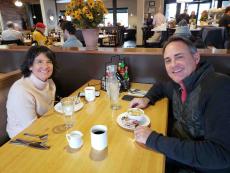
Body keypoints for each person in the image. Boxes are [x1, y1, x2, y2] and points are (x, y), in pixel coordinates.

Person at [130, 36, 230, 173]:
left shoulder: (219, 87)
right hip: (178, 151)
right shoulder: (179, 83)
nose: (173, 64)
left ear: (196, 58)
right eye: (168, 60)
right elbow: (161, 87)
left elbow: (221, 154)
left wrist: (154, 139)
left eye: (179, 57)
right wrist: (146, 98)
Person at [6, 46, 56, 138]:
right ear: (30, 66)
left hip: (45, 130)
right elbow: (32, 128)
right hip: (22, 139)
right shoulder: (21, 90)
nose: (45, 66)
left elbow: (50, 112)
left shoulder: (50, 83)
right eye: (39, 62)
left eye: (49, 61)